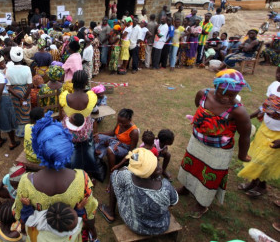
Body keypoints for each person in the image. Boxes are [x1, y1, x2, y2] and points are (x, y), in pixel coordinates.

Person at [177, 69, 252, 218]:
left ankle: (202, 203)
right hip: (197, 142)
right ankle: (186, 187)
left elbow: (245, 135)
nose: (226, 98)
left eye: (232, 95)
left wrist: (242, 155)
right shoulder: (203, 94)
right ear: (215, 87)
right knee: (191, 164)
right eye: (222, 93)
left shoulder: (238, 111)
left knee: (210, 175)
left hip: (219, 150)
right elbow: (197, 106)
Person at [13, 112, 98, 241]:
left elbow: (19, 215)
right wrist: (91, 228)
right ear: (68, 148)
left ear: (38, 151)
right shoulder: (83, 178)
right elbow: (90, 213)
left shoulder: (26, 182)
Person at [98, 148, 178, 236]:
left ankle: (110, 212)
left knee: (114, 175)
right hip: (162, 225)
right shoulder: (166, 185)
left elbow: (120, 175)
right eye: (156, 163)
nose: (159, 166)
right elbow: (172, 203)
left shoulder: (127, 177)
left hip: (136, 226)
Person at [237, 66, 280, 197]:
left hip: (277, 135)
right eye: (278, 71)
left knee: (265, 161)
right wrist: (246, 118)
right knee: (256, 156)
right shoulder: (274, 85)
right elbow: (265, 106)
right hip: (265, 130)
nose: (278, 75)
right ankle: (254, 182)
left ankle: (262, 186)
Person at [60, 71, 98, 174]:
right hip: (85, 130)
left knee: (70, 150)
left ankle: (70, 170)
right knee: (88, 148)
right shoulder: (91, 97)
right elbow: (94, 110)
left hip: (69, 129)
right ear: (86, 82)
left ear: (72, 81)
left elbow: (62, 111)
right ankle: (90, 169)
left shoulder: (65, 96)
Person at [6, 47, 33, 138]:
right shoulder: (27, 68)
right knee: (26, 110)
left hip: (14, 93)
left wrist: (19, 97)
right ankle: (27, 131)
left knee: (17, 111)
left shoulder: (8, 69)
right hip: (25, 92)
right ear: (21, 57)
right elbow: (30, 85)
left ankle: (19, 132)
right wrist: (24, 98)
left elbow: (8, 87)